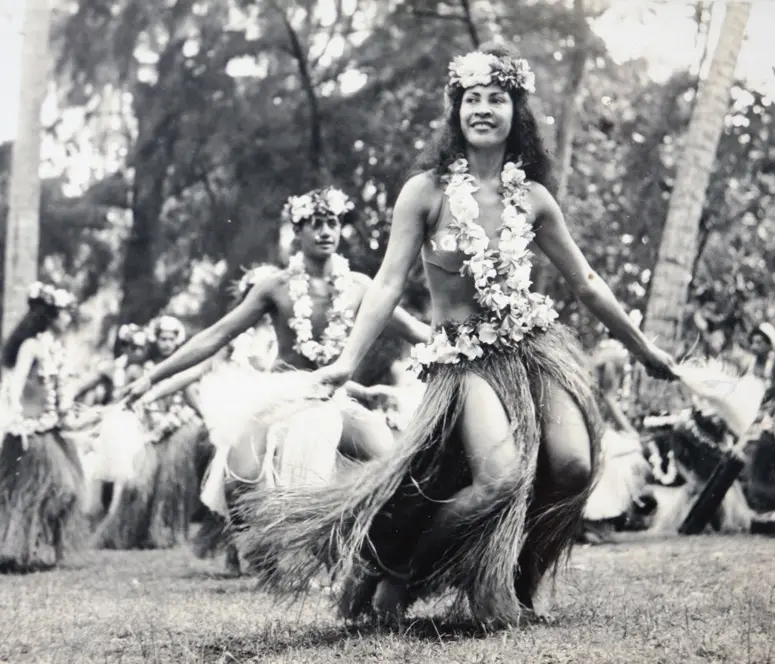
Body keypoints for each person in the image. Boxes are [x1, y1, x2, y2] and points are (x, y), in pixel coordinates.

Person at [230, 44, 677, 627]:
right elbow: (388, 285)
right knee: (500, 477)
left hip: (534, 350)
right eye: (472, 99)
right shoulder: (425, 192)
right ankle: (400, 578)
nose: (483, 109)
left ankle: (519, 584)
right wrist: (346, 361)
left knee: (571, 467)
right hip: (463, 360)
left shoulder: (534, 198)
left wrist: (644, 350)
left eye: (497, 98)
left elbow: (588, 281)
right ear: (456, 111)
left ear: (517, 111)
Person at [123, 187, 431, 474]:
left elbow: (416, 330)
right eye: (316, 224)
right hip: (285, 398)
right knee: (255, 473)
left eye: (332, 223)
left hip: (334, 397)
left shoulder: (360, 287)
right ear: (297, 231)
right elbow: (216, 335)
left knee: (388, 458)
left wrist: (470, 339)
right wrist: (151, 377)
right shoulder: (275, 287)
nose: (326, 232)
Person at [93, 315, 207, 549]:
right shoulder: (143, 368)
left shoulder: (184, 365)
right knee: (138, 484)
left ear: (178, 341)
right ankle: (127, 534)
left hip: (178, 428)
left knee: (171, 484)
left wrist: (207, 418)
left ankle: (164, 534)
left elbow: (191, 396)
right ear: (155, 340)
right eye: (162, 339)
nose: (166, 344)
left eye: (170, 339)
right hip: (149, 429)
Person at [0, 282, 84, 571]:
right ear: (49, 315)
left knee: (65, 490)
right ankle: (19, 550)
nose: (68, 317)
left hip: (52, 431)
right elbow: (14, 385)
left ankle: (35, 548)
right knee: (47, 488)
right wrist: (16, 421)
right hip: (30, 430)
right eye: (64, 312)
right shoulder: (31, 346)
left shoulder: (55, 347)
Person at [582, 339, 653, 541]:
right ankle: (595, 524)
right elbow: (609, 400)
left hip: (589, 425)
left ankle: (592, 525)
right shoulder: (613, 362)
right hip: (595, 428)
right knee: (628, 452)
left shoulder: (593, 363)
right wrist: (630, 431)